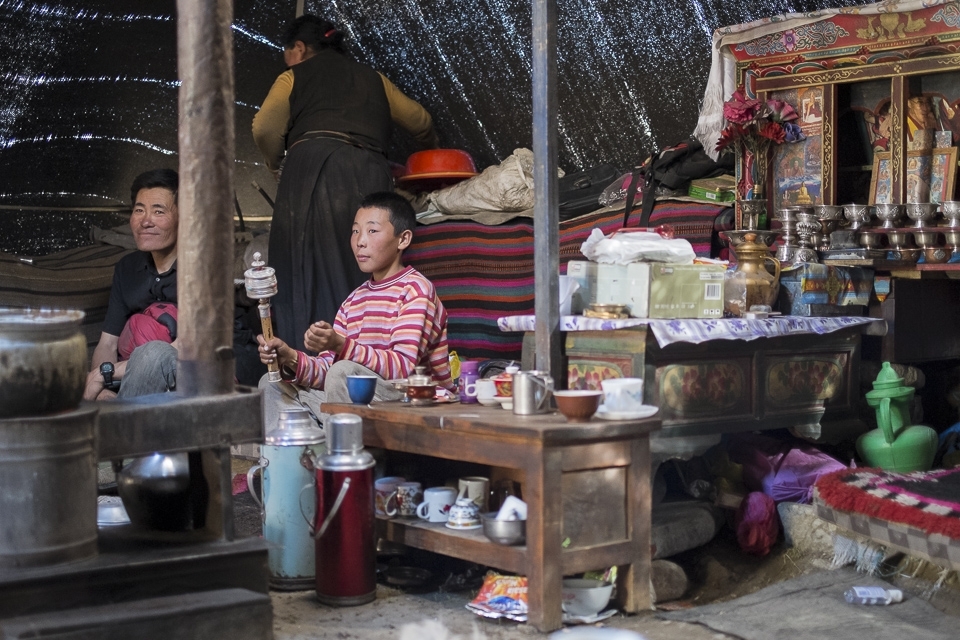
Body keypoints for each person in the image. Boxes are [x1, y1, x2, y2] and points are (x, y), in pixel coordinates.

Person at [252, 14, 439, 352]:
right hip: (369, 172)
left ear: (298, 47)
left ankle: (306, 367)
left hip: (310, 173)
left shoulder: (293, 76)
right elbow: (420, 120)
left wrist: (275, 162)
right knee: (361, 266)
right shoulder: (375, 80)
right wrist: (429, 154)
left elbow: (264, 128)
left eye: (288, 52)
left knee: (301, 269)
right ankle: (364, 360)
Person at [257, 192, 453, 430]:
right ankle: (306, 456)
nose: (360, 241)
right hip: (359, 401)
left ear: (403, 239)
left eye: (372, 231)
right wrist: (290, 358)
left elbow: (403, 368)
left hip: (412, 401)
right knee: (271, 383)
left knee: (345, 373)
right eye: (355, 231)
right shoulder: (354, 300)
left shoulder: (416, 290)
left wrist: (340, 345)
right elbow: (327, 373)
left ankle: (340, 454)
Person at [82, 169, 266, 401]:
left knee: (153, 353)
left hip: (218, 365)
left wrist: (105, 374)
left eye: (159, 211)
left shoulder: (208, 267)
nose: (145, 221)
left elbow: (188, 346)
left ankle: (124, 426)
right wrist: (103, 390)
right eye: (139, 210)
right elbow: (108, 342)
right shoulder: (127, 269)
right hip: (147, 375)